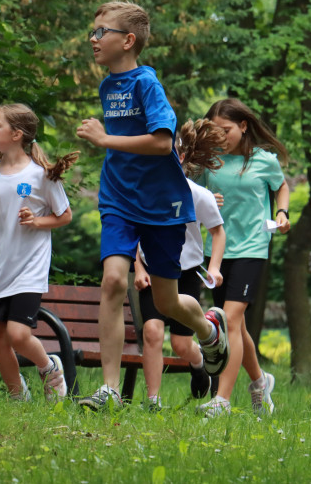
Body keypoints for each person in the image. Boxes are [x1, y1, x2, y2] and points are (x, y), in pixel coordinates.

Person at [74, 1, 228, 410]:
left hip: (162, 205)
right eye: (92, 32)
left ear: (127, 41)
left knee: (167, 301)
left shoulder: (147, 84)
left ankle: (210, 330)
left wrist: (105, 140)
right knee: (112, 281)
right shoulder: (108, 85)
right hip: (119, 197)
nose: (92, 39)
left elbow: (162, 142)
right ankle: (109, 391)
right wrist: (110, 148)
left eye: (100, 31)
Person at [0, 104, 78, 400]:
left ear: (16, 134)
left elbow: (64, 215)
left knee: (17, 334)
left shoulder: (41, 175)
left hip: (29, 268)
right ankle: (17, 397)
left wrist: (37, 221)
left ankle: (49, 367)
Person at [196, 98, 290, 418]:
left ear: (244, 126)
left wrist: (282, 212)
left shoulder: (264, 160)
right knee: (238, 327)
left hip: (252, 248)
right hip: (217, 254)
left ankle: (221, 400)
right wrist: (208, 201)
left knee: (229, 321)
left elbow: (282, 187)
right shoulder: (209, 161)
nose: (222, 137)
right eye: (215, 131)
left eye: (227, 130)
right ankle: (260, 382)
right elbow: (194, 200)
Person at [133, 118, 227, 410]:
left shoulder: (198, 195)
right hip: (151, 269)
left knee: (181, 345)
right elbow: (135, 233)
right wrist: (137, 268)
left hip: (186, 272)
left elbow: (217, 231)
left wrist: (214, 267)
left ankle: (199, 364)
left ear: (181, 157)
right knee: (151, 331)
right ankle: (153, 401)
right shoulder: (143, 192)